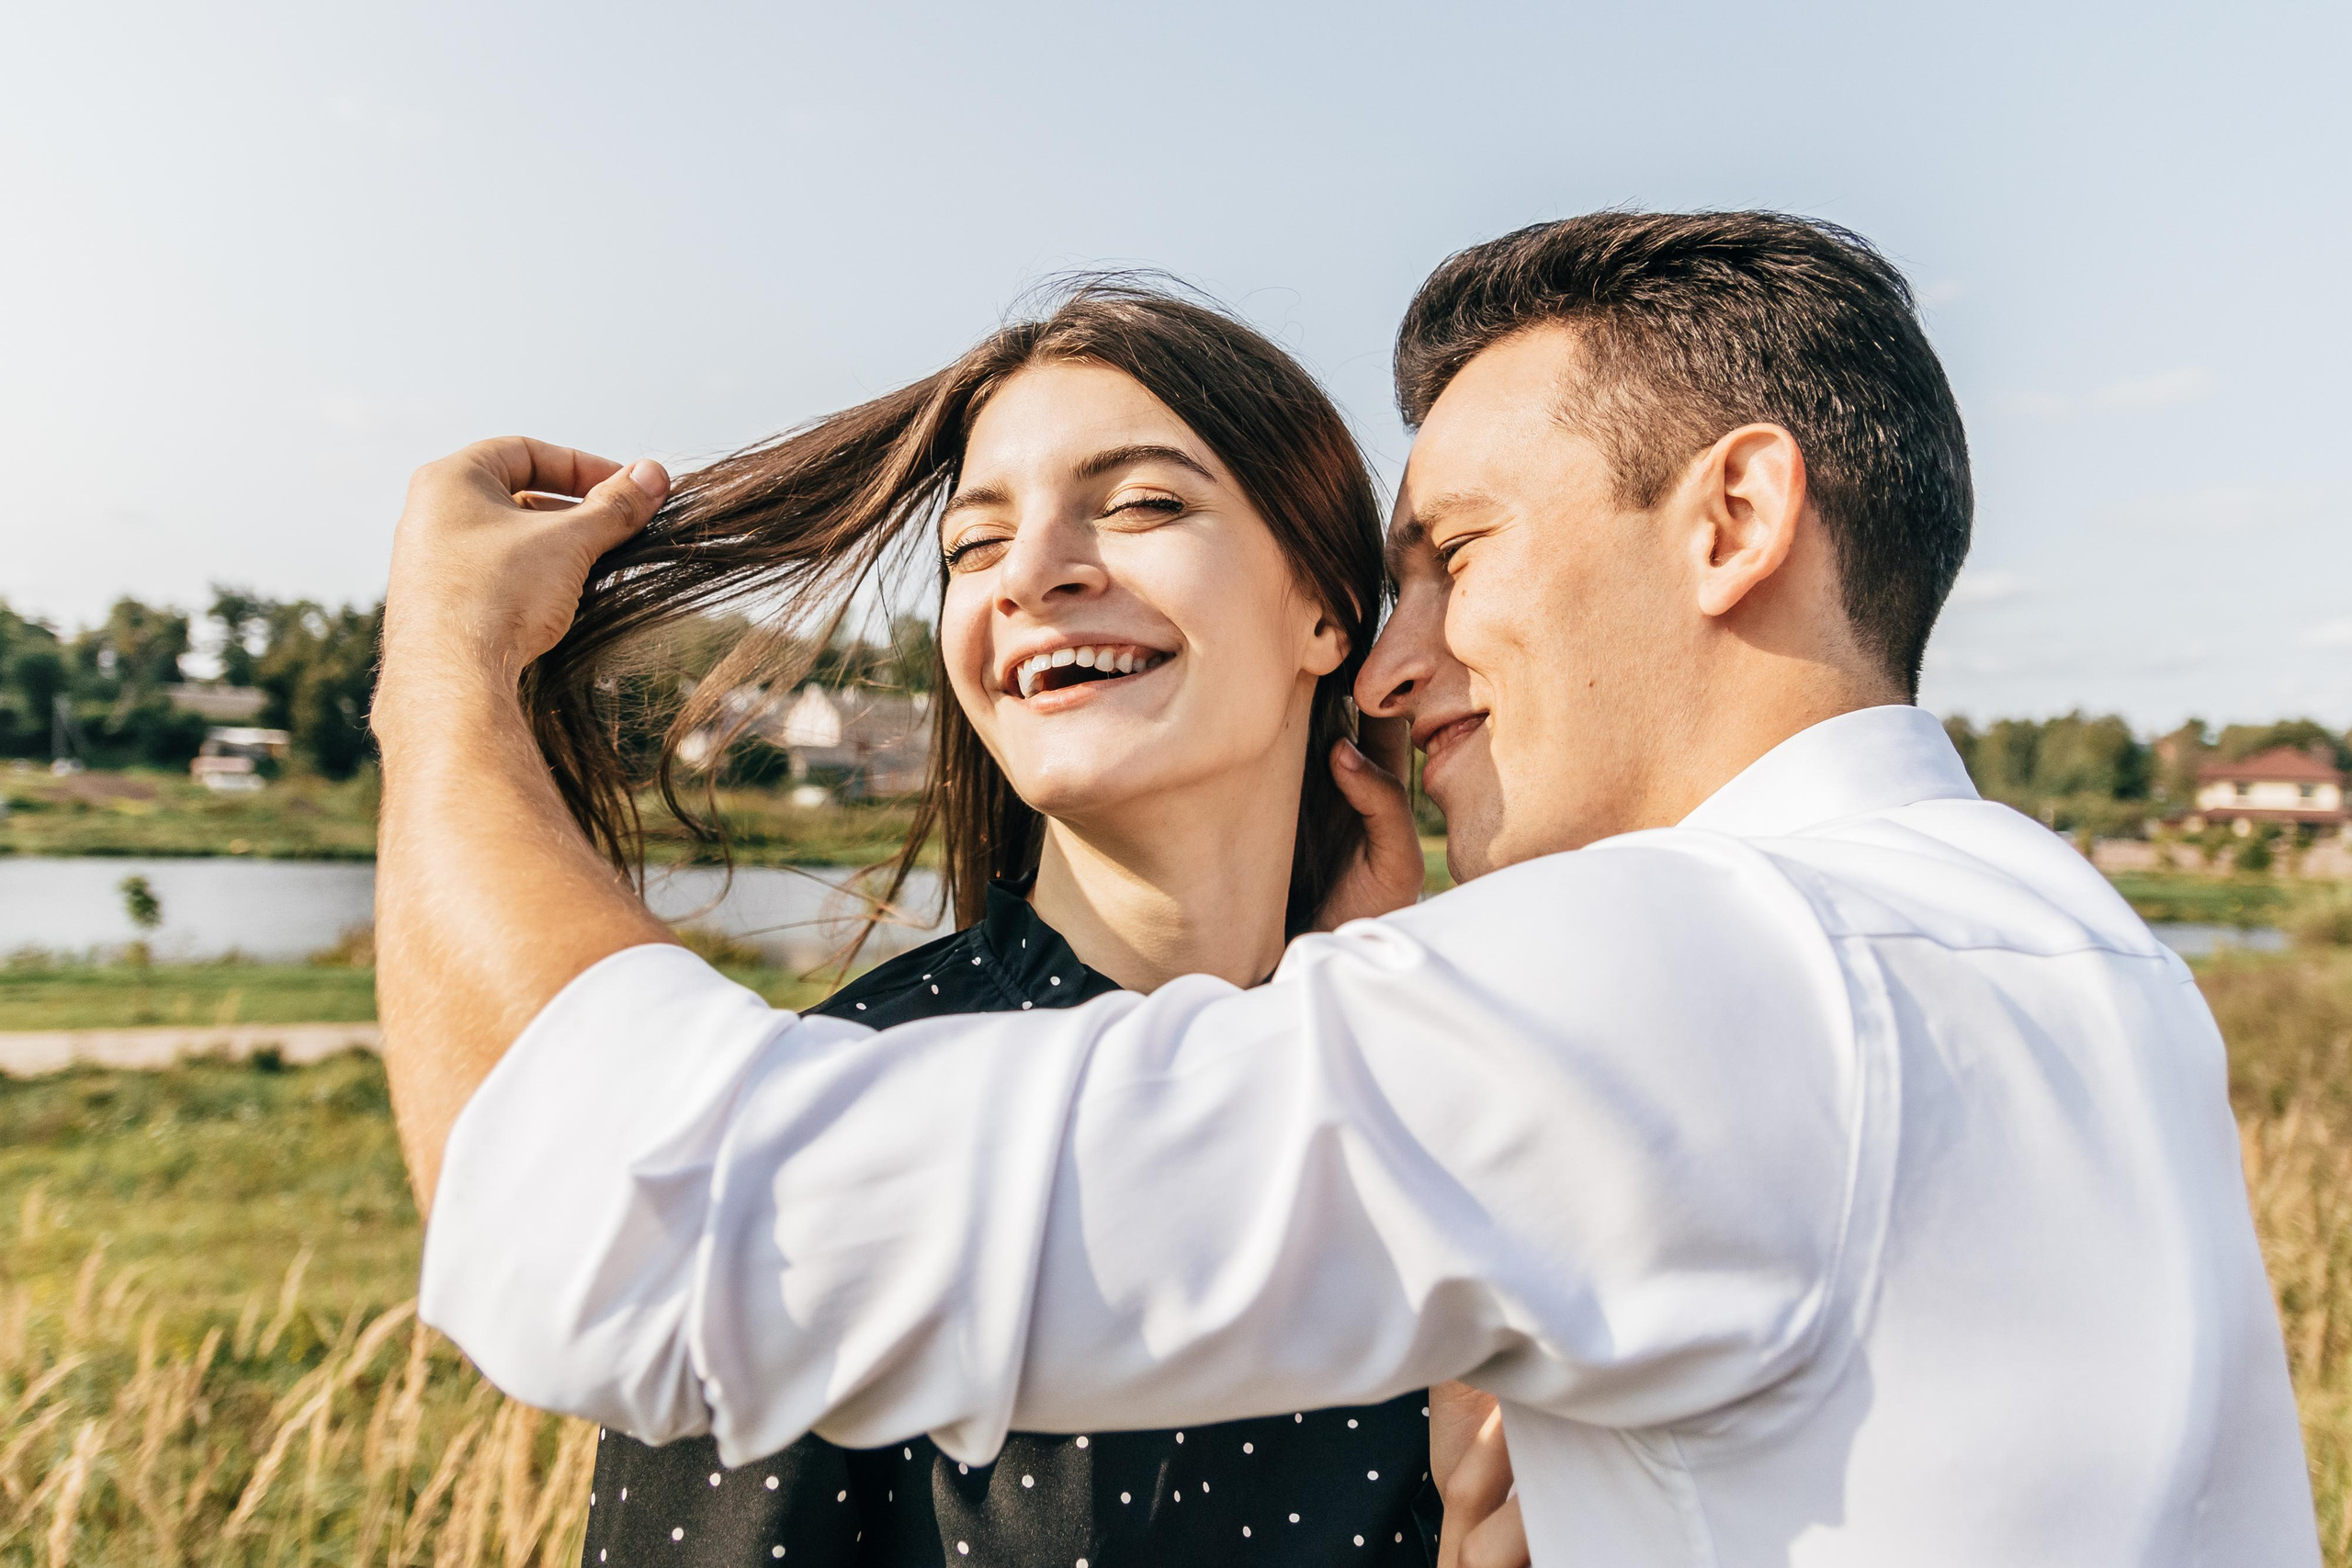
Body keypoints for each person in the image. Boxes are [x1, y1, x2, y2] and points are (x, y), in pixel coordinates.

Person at [379, 212, 2320, 1564]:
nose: (1408, 659)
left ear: (1732, 517)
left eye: (1452, 553)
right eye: (973, 541)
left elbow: (617, 1226)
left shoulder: (1658, 986)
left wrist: (442, 683)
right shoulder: (2077, 950)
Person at [522, 282, 1445, 1565]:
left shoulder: (1444, 1108)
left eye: (1141, 504)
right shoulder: (841, 1122)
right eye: (973, 543)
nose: (1032, 572)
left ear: (1327, 612)